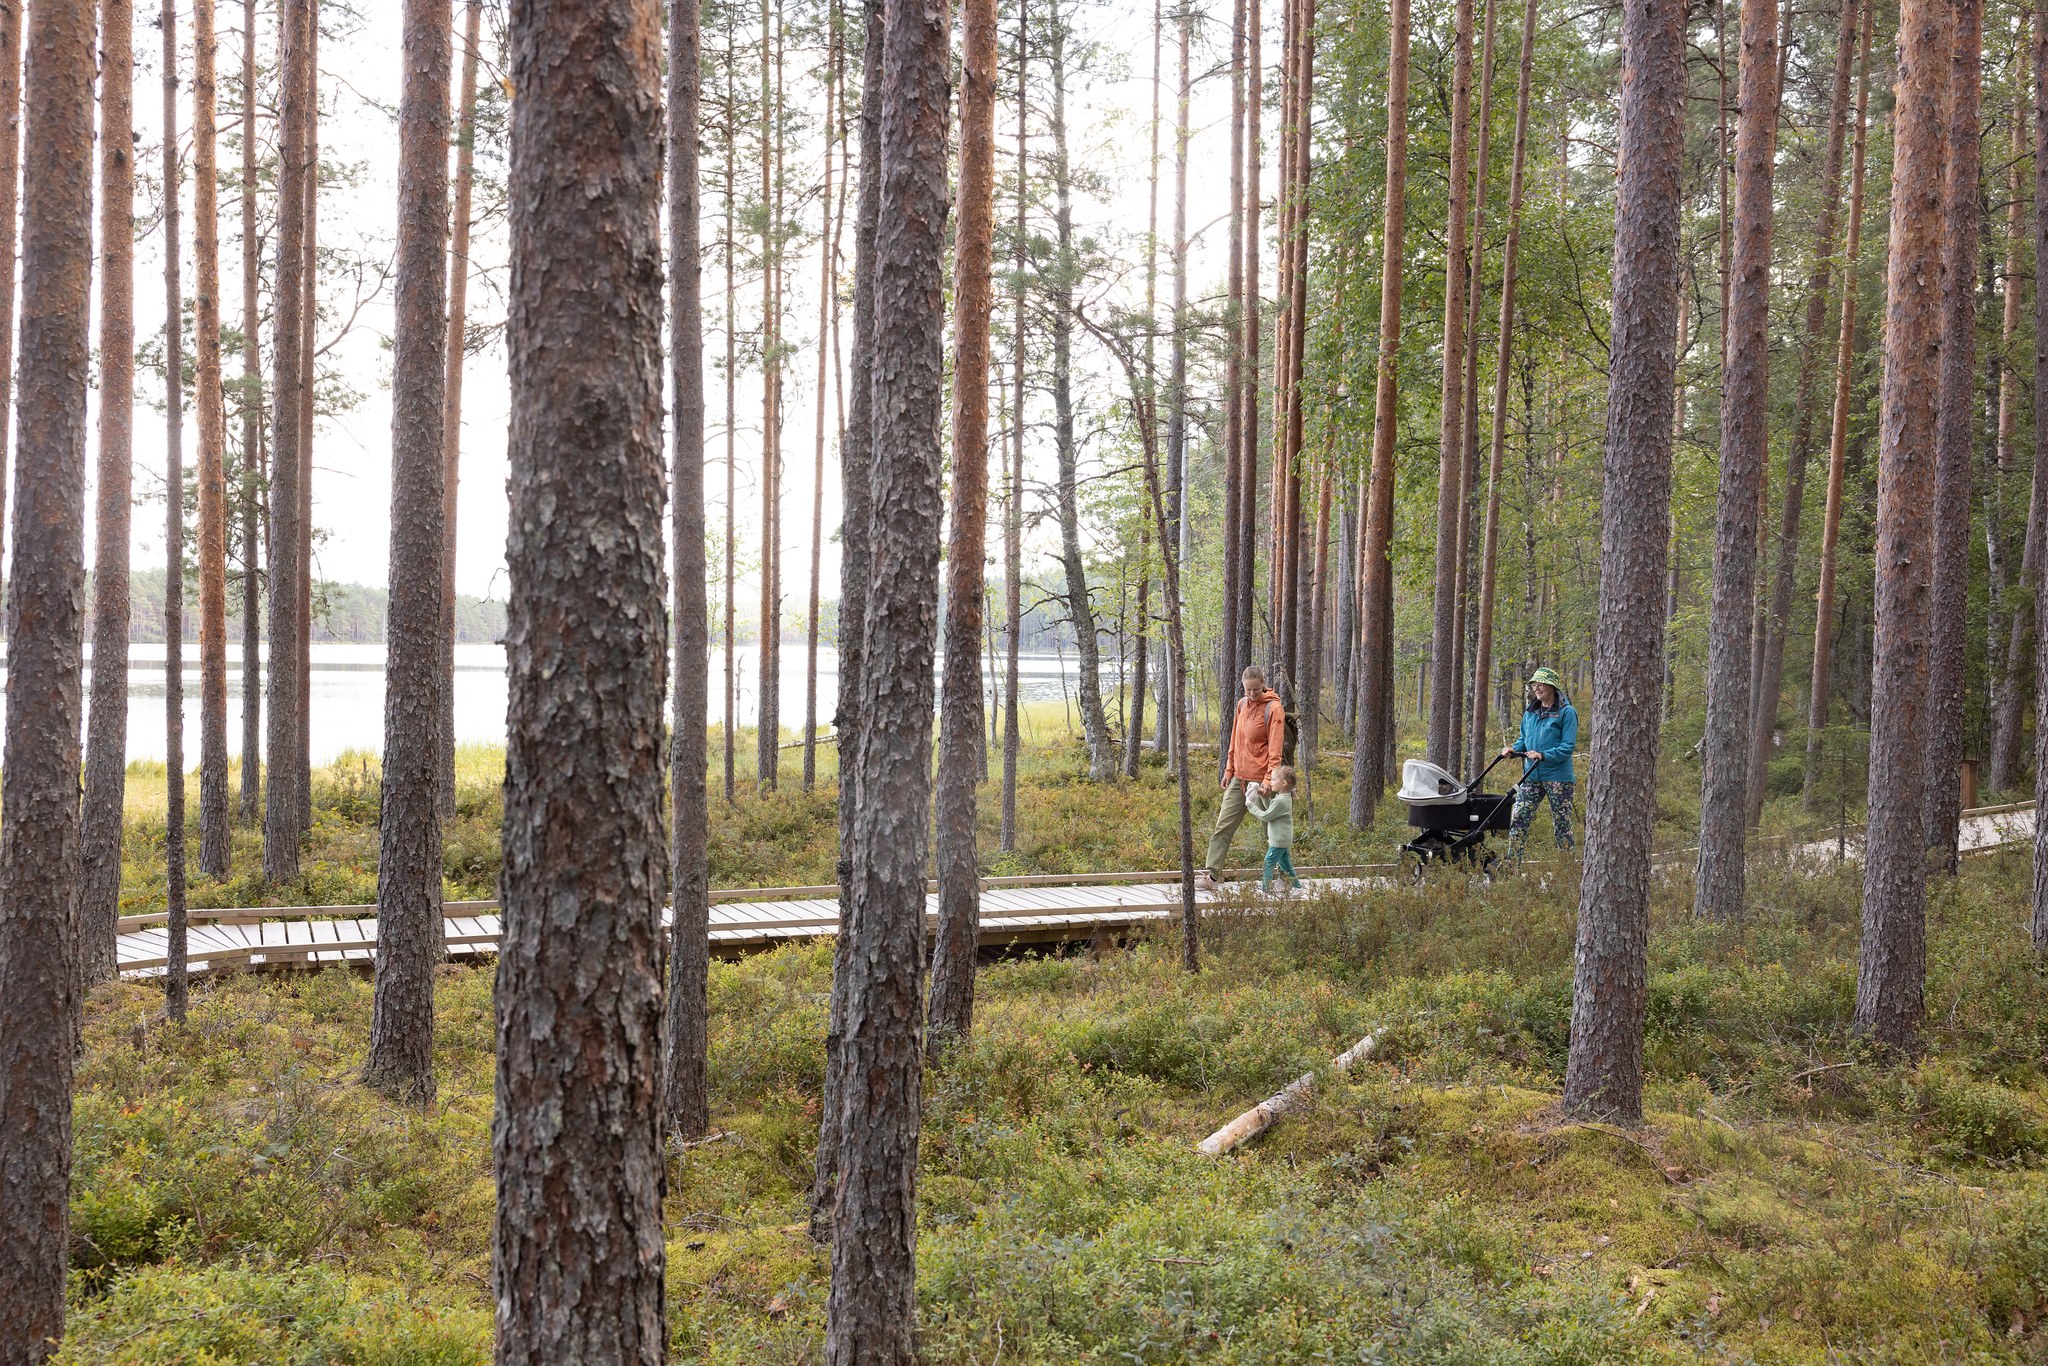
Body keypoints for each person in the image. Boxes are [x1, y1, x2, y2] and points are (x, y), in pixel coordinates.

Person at [1197, 665, 1287, 890]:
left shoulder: (1274, 708)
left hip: (1263, 782)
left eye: (1256, 690)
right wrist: (1229, 770)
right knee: (1223, 827)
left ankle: (1281, 878)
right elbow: (1234, 741)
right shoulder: (1241, 705)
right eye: (1248, 690)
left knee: (1273, 833)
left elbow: (1275, 751)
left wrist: (1268, 781)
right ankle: (1213, 876)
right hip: (1240, 779)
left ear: (1263, 684)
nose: (1252, 694)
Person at [1500, 666, 1578, 861]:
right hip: (1531, 776)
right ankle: (1512, 864)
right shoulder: (1530, 713)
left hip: (1558, 777)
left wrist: (1543, 755)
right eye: (1534, 684)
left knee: (1562, 824)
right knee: (1518, 818)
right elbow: (1524, 740)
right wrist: (1513, 750)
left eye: (1541, 683)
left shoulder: (1567, 712)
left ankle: (1568, 867)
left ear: (1552, 686)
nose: (1537, 687)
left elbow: (1568, 747)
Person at [1246, 764, 1300, 892]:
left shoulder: (1281, 801)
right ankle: (1297, 886)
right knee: (1286, 864)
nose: (1270, 782)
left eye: (1274, 779)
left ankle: (1266, 889)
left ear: (1284, 783)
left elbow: (1267, 816)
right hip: (1282, 839)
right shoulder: (1282, 798)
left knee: (1268, 862)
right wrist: (1263, 795)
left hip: (1279, 840)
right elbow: (1272, 807)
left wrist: (1250, 805)